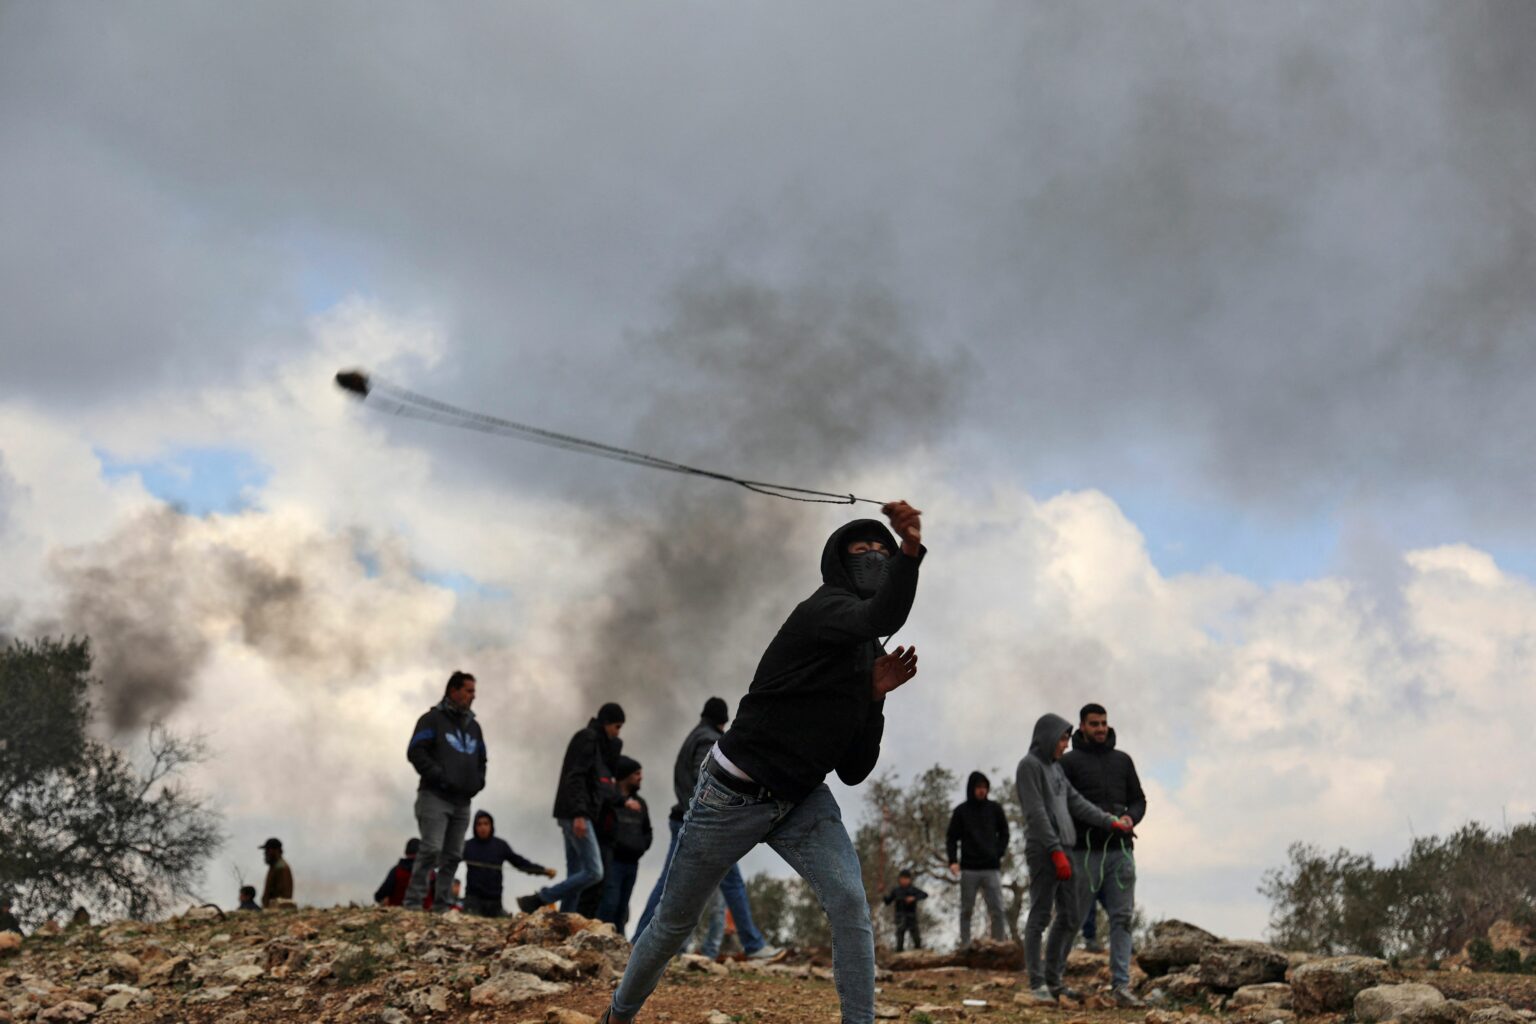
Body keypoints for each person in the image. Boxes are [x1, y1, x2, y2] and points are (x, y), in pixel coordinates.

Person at [601, 501, 926, 1024]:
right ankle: (617, 1016)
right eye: (861, 548)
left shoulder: (868, 653)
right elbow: (882, 615)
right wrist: (909, 549)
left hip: (800, 798)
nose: (873, 556)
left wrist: (874, 697)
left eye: (882, 551)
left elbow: (854, 770)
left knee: (850, 904)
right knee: (673, 924)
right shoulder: (825, 608)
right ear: (838, 561)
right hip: (731, 795)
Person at [633, 697, 785, 963]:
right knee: (730, 883)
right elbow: (705, 784)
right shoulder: (707, 740)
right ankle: (753, 945)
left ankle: (638, 941)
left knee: (670, 883)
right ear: (723, 721)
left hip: (689, 819)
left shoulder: (696, 735)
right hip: (704, 824)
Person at [1016, 713, 1133, 1004]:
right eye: (1062, 739)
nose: (1065, 745)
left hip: (1067, 849)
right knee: (1040, 915)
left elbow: (1077, 803)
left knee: (1070, 917)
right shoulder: (1029, 766)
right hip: (1045, 850)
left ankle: (1054, 982)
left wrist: (1110, 822)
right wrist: (1055, 850)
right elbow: (1035, 813)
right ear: (1047, 737)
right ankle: (1036, 983)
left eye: (1067, 739)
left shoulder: (1055, 769)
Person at [1061, 703, 1147, 1007]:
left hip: (1120, 853)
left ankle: (1121, 986)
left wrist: (1131, 818)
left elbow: (1139, 800)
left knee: (1122, 918)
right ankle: (1054, 981)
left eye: (1103, 723)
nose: (1100, 728)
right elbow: (1063, 805)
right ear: (1082, 726)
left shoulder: (1123, 761)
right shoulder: (1068, 762)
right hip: (1084, 854)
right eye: (1094, 724)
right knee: (1072, 918)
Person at [518, 703, 627, 914]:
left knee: (576, 873)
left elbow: (600, 782)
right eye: (617, 726)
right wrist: (579, 814)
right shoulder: (588, 738)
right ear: (607, 723)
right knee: (594, 871)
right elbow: (576, 777)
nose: (618, 732)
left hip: (576, 812)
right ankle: (539, 899)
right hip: (575, 813)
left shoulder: (599, 744)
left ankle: (565, 918)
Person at [405, 670, 487, 911]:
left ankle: (442, 905)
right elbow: (415, 751)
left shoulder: (474, 727)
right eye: (469, 691)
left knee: (453, 855)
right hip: (434, 796)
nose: (473, 696)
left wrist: (478, 782)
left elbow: (482, 759)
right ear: (454, 690)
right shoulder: (432, 720)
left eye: (473, 691)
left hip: (463, 801)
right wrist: (439, 776)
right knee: (431, 849)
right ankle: (414, 902)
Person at [946, 770, 1010, 947]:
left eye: (984, 787)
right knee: (966, 910)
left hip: (991, 868)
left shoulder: (995, 809)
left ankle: (999, 944)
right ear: (971, 788)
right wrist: (952, 861)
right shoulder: (961, 811)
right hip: (969, 868)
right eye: (978, 787)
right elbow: (951, 838)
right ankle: (965, 946)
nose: (982, 790)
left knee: (997, 909)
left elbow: (1005, 833)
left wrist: (998, 852)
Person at [596, 756, 652, 934]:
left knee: (622, 908)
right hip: (613, 861)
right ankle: (602, 937)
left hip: (632, 863)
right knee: (609, 904)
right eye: (636, 773)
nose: (640, 777)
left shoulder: (640, 803)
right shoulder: (611, 802)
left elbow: (647, 830)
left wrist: (641, 846)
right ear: (625, 776)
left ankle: (619, 941)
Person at [462, 810, 555, 917]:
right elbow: (451, 861)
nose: (483, 827)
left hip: (495, 901)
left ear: (491, 825)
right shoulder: (467, 846)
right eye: (479, 824)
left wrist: (543, 870)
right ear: (475, 827)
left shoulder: (500, 846)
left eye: (486, 823)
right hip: (473, 901)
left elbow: (519, 862)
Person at [375, 838, 437, 909]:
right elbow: (439, 896)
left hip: (398, 911)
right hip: (424, 911)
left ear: (406, 852)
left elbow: (379, 896)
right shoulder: (431, 873)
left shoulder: (396, 870)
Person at [883, 870, 928, 952]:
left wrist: (913, 898)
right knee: (900, 936)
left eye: (906, 879)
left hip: (911, 916)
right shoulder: (896, 891)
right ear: (899, 879)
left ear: (909, 879)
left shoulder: (913, 890)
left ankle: (919, 951)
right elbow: (887, 901)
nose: (904, 880)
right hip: (900, 916)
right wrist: (882, 893)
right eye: (902, 878)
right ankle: (899, 952)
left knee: (916, 936)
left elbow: (925, 895)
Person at [259, 837, 294, 908]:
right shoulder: (275, 866)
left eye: (268, 850)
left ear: (276, 850)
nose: (265, 853)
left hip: (277, 908)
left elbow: (284, 895)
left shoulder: (281, 867)